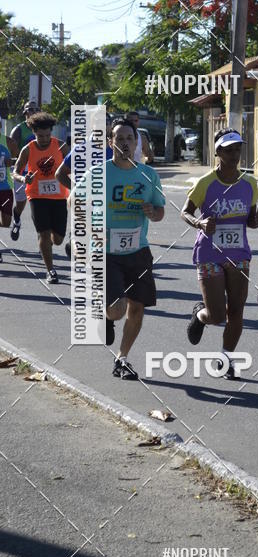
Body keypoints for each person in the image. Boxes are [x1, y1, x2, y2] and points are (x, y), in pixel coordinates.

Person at [180, 128, 258, 379]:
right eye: (228, 150)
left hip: (239, 253)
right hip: (209, 253)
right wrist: (200, 223)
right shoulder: (205, 182)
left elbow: (249, 220)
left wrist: (257, 220)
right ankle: (200, 315)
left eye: (238, 148)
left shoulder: (249, 183)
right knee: (217, 315)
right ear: (217, 152)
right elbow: (185, 211)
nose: (234, 154)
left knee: (236, 310)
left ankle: (226, 359)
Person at [103, 117, 165, 379]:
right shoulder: (99, 173)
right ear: (111, 142)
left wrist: (153, 212)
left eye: (130, 138)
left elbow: (160, 211)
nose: (125, 143)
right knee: (118, 310)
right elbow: (77, 202)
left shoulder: (148, 174)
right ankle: (106, 316)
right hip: (107, 253)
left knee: (137, 308)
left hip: (138, 251)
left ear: (136, 142)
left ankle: (122, 358)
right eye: (119, 138)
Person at [13, 112, 68, 283]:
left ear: (52, 132)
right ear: (34, 133)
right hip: (36, 195)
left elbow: (74, 167)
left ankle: (49, 244)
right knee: (43, 233)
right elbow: (15, 172)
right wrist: (23, 178)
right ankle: (50, 271)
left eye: (47, 135)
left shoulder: (61, 146)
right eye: (40, 136)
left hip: (59, 196)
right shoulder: (27, 149)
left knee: (57, 239)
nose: (44, 139)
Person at [56, 114, 113, 259]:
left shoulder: (114, 150)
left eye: (106, 122)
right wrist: (76, 188)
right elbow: (60, 174)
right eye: (99, 121)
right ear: (92, 125)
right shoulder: (81, 149)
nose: (102, 125)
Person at [8, 100, 38, 241]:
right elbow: (11, 153)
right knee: (20, 204)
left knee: (39, 204)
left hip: (38, 171)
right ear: (25, 112)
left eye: (35, 109)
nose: (33, 112)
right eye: (30, 109)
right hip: (21, 170)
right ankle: (17, 220)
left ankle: (42, 237)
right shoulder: (18, 130)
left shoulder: (42, 129)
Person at [0, 136, 14, 261]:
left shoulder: (3, 148)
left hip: (5, 190)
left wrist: (10, 162)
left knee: (6, 222)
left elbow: (11, 162)